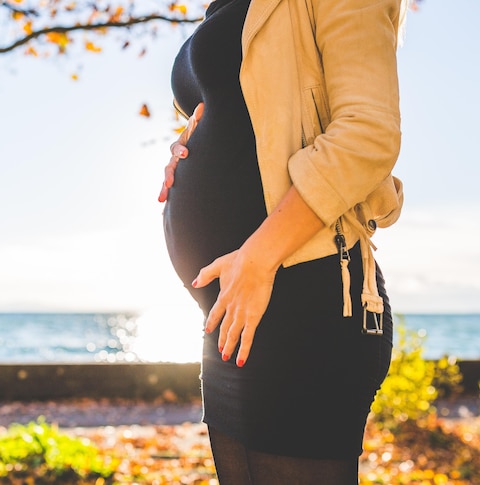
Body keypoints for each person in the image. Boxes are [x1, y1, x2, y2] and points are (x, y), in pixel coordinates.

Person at [157, 0, 407, 483]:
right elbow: (243, 115)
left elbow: (369, 133)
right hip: (232, 316)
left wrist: (260, 256)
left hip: (305, 301)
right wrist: (185, 145)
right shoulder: (221, 7)